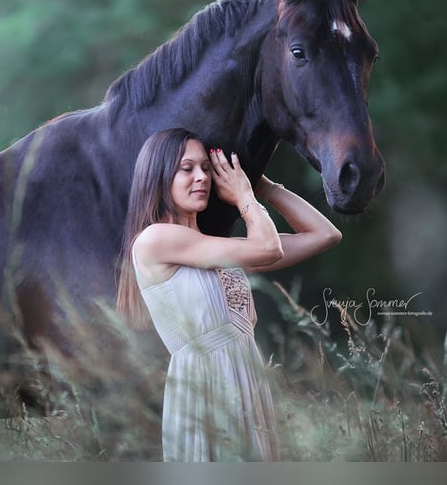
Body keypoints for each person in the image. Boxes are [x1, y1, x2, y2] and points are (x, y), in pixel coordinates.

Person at [116, 128, 342, 461]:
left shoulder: (215, 250)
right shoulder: (155, 239)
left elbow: (325, 234)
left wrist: (264, 186)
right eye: (187, 168)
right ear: (159, 176)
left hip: (247, 383)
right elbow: (268, 248)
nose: (201, 177)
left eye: (206, 169)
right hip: (205, 390)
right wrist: (244, 196)